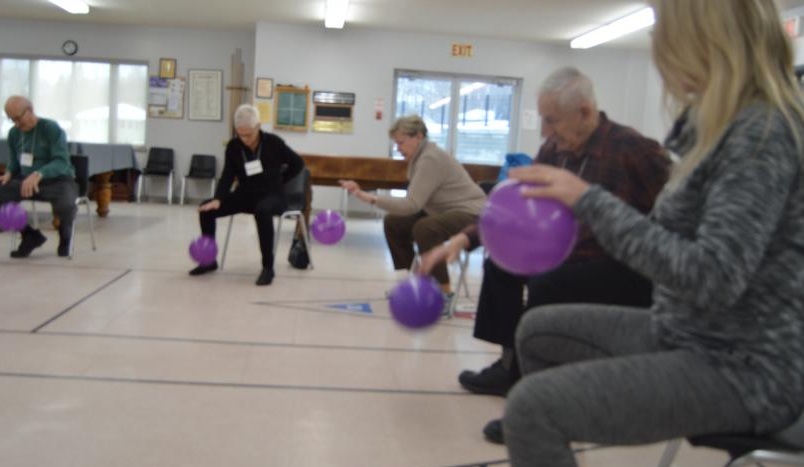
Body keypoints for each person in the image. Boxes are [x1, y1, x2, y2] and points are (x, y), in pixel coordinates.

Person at [479, 1, 804, 467]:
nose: (658, 49)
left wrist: (589, 202)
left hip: (743, 368)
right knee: (538, 329)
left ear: (700, 42)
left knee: (532, 409)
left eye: (664, 34)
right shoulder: (720, 130)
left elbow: (712, 277)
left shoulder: (761, 135)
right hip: (690, 334)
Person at [422, 66, 670, 443]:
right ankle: (509, 364)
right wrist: (466, 239)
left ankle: (527, 403)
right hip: (565, 255)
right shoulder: (555, 149)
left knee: (547, 286)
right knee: (502, 267)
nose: (544, 132)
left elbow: (675, 219)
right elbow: (516, 206)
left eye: (551, 120)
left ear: (585, 113)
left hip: (621, 265)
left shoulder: (634, 149)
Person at [340, 115, 486, 300]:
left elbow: (411, 204)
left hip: (471, 213)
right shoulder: (419, 157)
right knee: (394, 222)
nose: (398, 148)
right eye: (396, 143)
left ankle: (443, 293)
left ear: (418, 136)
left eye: (401, 143)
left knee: (425, 228)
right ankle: (411, 283)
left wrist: (369, 197)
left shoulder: (430, 158)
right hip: (444, 211)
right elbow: (414, 203)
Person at [190, 104, 304, 286]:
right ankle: (208, 261)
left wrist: (281, 181)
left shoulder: (274, 143)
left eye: (248, 134)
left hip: (273, 196)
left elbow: (298, 163)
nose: (244, 139)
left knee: (263, 210)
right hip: (245, 195)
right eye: (240, 134)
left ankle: (268, 268)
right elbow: (227, 175)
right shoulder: (234, 147)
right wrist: (218, 199)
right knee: (207, 209)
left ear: (258, 126)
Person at [0, 96, 77, 258]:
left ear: (30, 110)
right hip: (25, 181)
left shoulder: (51, 128)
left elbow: (61, 161)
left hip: (57, 179)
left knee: (66, 203)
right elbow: (14, 161)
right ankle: (29, 235)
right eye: (12, 120)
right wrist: (8, 173)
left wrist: (39, 174)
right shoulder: (14, 134)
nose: (17, 124)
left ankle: (65, 236)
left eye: (18, 118)